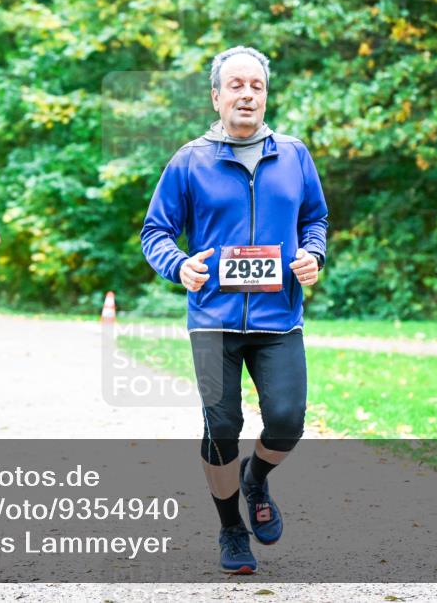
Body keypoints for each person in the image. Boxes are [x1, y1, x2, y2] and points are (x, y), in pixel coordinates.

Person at [140, 46, 328, 574]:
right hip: (213, 320)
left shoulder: (293, 154)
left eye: (257, 86)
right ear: (217, 96)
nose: (248, 94)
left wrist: (313, 253)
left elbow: (315, 218)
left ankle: (256, 479)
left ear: (266, 95)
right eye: (237, 85)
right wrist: (179, 266)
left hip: (278, 319)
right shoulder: (189, 160)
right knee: (222, 426)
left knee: (287, 422)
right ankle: (230, 528)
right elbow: (154, 232)